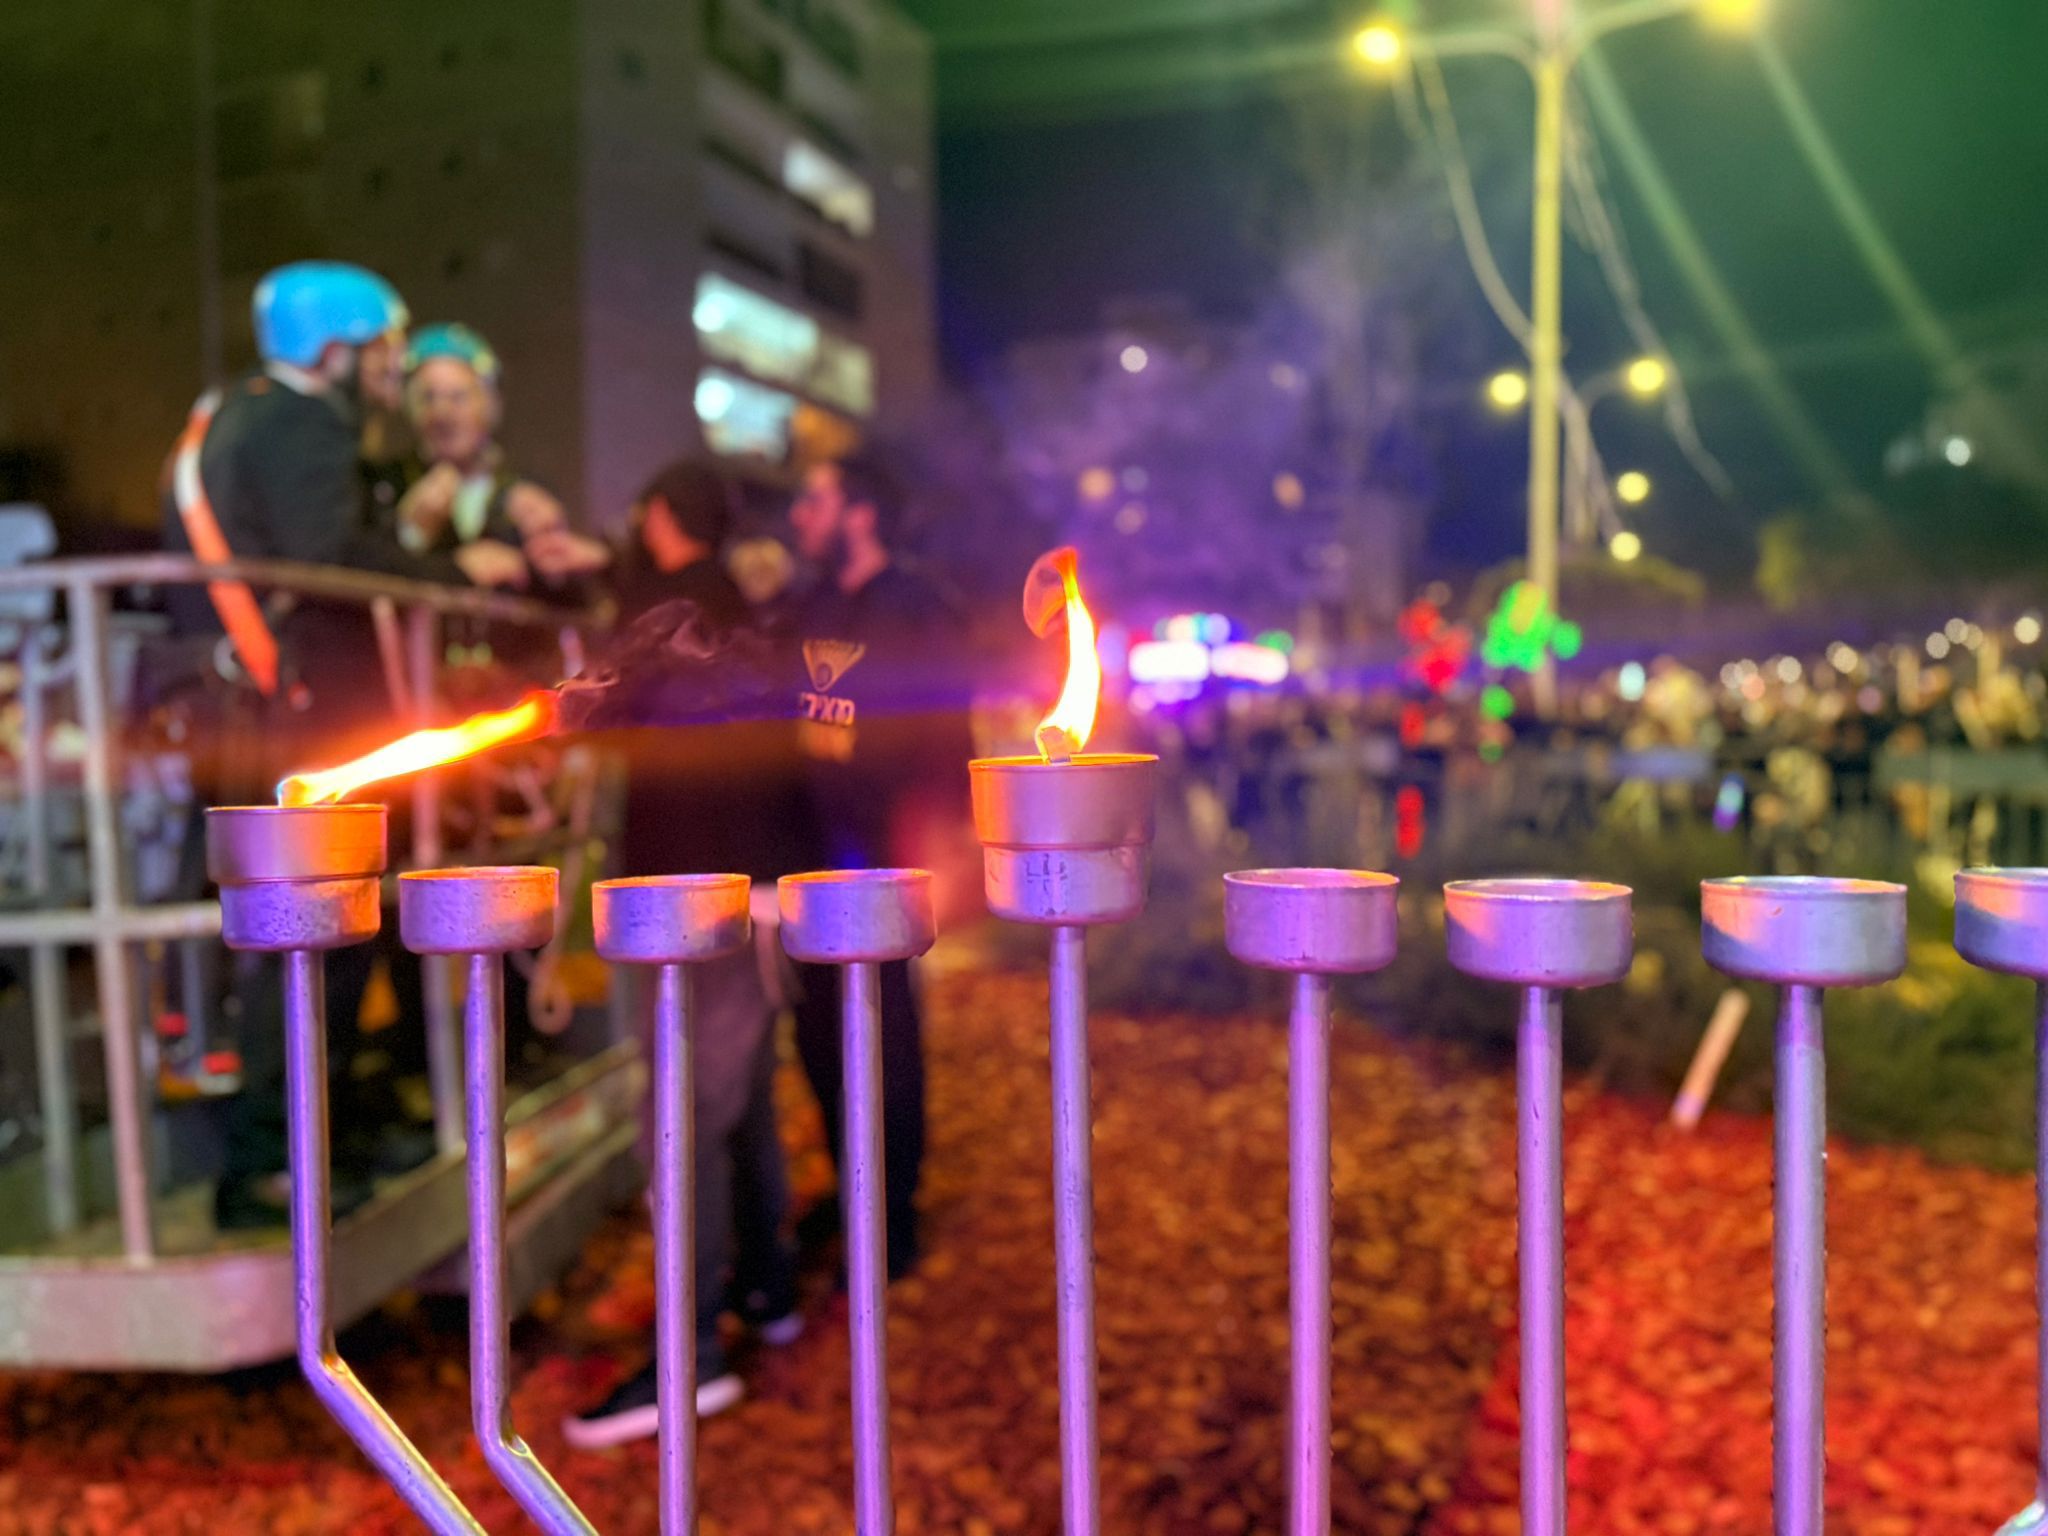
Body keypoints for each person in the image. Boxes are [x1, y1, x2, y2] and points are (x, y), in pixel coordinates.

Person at [160, 261, 519, 1229]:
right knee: (316, 941)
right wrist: (452, 571)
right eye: (384, 350)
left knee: (305, 939)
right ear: (333, 348)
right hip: (311, 726)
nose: (393, 371)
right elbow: (329, 555)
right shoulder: (300, 421)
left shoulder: (234, 415)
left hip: (258, 718)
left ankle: (313, 1137)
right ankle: (272, 1163)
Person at [563, 460, 805, 1441]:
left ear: (658, 517)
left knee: (683, 1119)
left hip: (698, 905)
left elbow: (589, 703)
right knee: (737, 1104)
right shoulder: (733, 609)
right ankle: (769, 1288)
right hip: (755, 893)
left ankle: (689, 1359)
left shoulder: (666, 617)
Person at [785, 451, 973, 1280]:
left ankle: (893, 1214)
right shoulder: (812, 606)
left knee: (884, 1035)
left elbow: (949, 724)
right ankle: (849, 1187)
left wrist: (945, 835)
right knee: (819, 1035)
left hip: (888, 861)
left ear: (860, 513)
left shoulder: (919, 609)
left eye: (815, 500)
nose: (800, 515)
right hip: (812, 861)